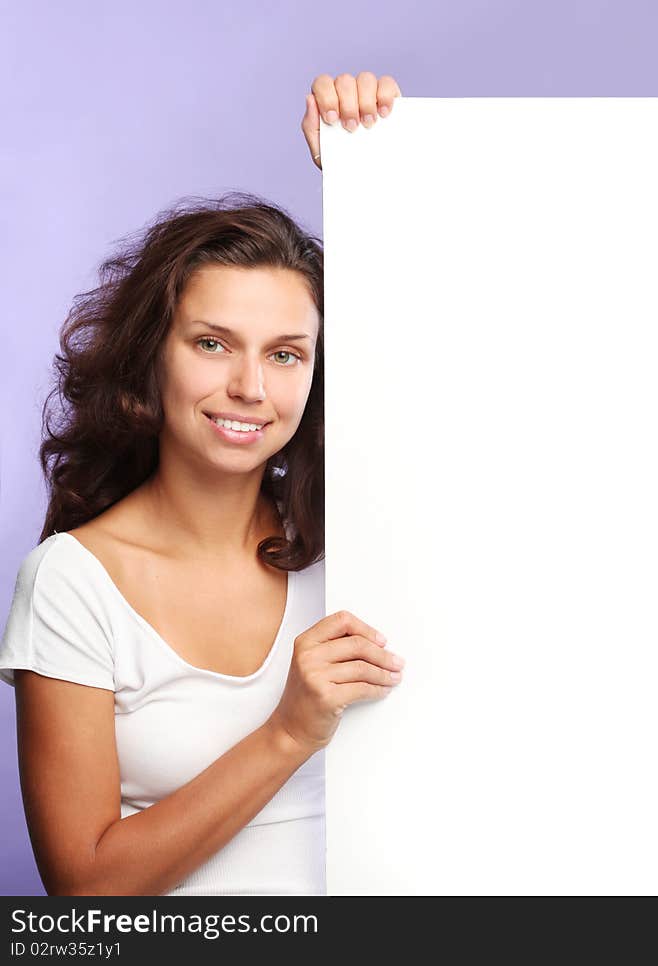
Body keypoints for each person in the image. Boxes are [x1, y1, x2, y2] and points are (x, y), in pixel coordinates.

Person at [0, 71, 405, 896]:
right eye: (214, 344)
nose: (251, 386)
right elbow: (83, 890)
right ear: (153, 353)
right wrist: (290, 731)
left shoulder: (357, 547)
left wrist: (383, 177)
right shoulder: (74, 583)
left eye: (286, 352)